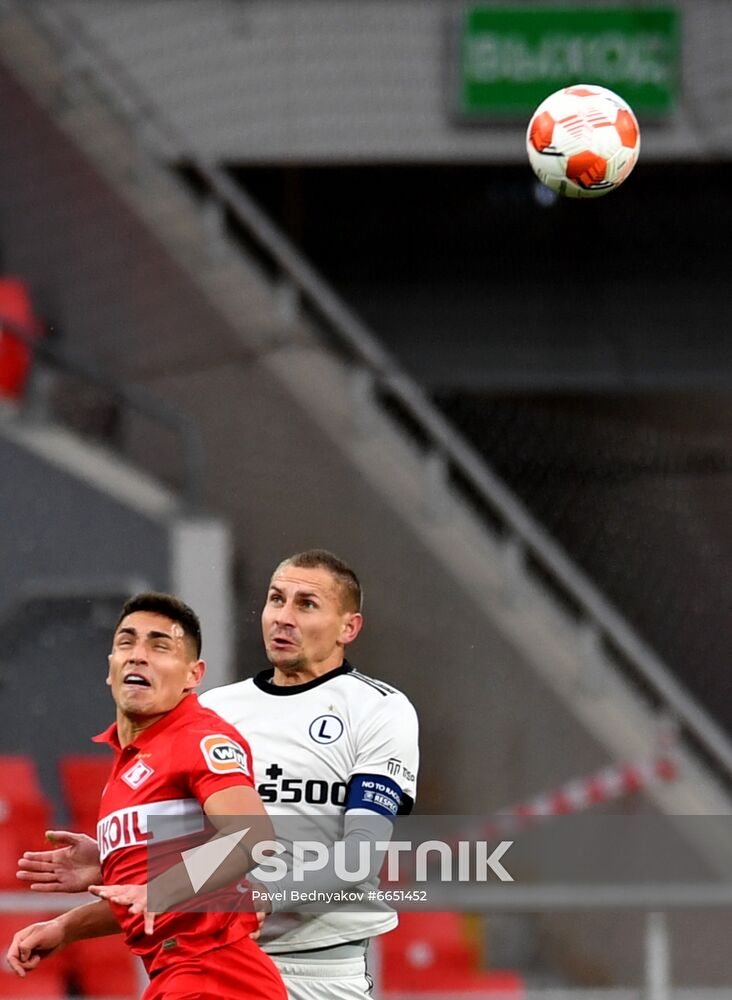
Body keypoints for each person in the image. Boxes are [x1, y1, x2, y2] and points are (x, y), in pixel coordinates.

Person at [15, 550, 420, 1000]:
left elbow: (359, 855)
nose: (282, 617)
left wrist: (255, 897)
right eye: (275, 599)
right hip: (211, 959)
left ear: (349, 627)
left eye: (306, 604)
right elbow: (179, 880)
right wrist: (119, 860)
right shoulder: (212, 712)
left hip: (319, 970)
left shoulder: (378, 709)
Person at [6, 592, 286, 1000]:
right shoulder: (127, 765)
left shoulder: (199, 738)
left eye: (159, 646)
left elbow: (253, 837)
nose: (138, 655)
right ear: (110, 668)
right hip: (181, 976)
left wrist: (157, 889)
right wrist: (71, 920)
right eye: (126, 642)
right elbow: (155, 897)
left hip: (217, 975)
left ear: (193, 675)